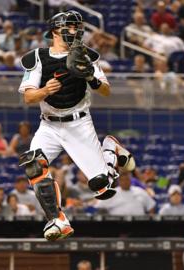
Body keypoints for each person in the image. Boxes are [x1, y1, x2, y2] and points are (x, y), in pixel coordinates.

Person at [18, 10, 136, 240]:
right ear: (55, 30)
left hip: (78, 123)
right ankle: (58, 221)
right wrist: (45, 90)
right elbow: (29, 97)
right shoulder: (37, 57)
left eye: (77, 27)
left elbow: (106, 90)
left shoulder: (86, 56)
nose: (76, 31)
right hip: (49, 125)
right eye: (70, 27)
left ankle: (111, 148)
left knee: (103, 188)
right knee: (33, 164)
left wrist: (91, 76)